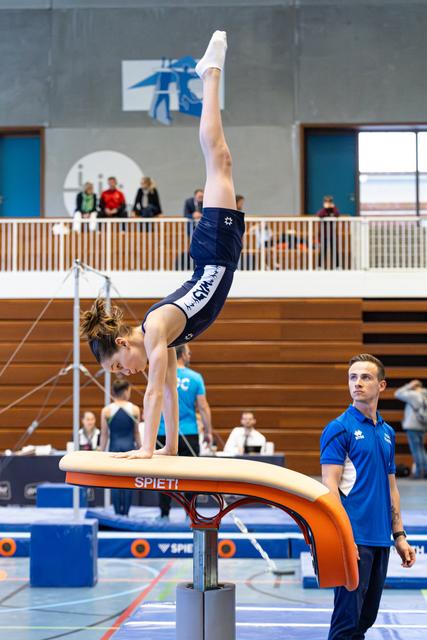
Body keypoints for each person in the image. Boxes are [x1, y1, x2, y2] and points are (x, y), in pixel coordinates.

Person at [80, 31, 244, 460]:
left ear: (122, 345)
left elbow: (152, 393)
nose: (126, 374)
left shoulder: (154, 331)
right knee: (219, 162)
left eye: (118, 367)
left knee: (219, 159)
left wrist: (145, 449)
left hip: (212, 256)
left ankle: (210, 72)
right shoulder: (162, 339)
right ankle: (209, 72)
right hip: (217, 257)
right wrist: (169, 446)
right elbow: (168, 388)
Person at [320, 353, 415, 640]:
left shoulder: (386, 432)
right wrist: (343, 537)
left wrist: (399, 535)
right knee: (346, 625)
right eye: (352, 377)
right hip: (354, 539)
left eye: (365, 377)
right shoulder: (339, 429)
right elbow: (329, 488)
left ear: (381, 385)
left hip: (380, 540)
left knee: (364, 621)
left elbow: (392, 487)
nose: (357, 383)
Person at [157, 343, 213, 519]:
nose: (190, 355)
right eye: (189, 353)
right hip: (189, 431)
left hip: (164, 432)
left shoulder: (162, 375)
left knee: (163, 476)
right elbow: (203, 407)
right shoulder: (195, 378)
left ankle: (164, 514)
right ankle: (190, 513)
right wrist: (208, 431)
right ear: (182, 355)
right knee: (190, 475)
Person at [100, 378, 141, 515]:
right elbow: (136, 433)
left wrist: (100, 452)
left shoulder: (106, 410)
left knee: (115, 483)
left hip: (114, 448)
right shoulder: (134, 409)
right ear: (125, 392)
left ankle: (118, 514)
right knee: (128, 482)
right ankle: (126, 514)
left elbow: (104, 435)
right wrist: (142, 450)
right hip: (130, 447)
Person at [395, 379, 427, 479]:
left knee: (416, 450)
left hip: (413, 426)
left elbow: (398, 393)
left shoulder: (414, 395)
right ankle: (424, 471)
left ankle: (419, 473)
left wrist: (409, 385)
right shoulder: (424, 395)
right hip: (422, 425)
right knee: (421, 449)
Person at [316, 195, 340, 269]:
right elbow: (319, 215)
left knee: (334, 251)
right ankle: (319, 266)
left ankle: (337, 266)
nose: (328, 203)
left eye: (329, 202)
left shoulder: (333, 210)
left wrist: (333, 207)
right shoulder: (323, 210)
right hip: (324, 235)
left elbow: (337, 214)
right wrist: (324, 208)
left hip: (332, 234)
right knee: (323, 251)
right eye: (326, 202)